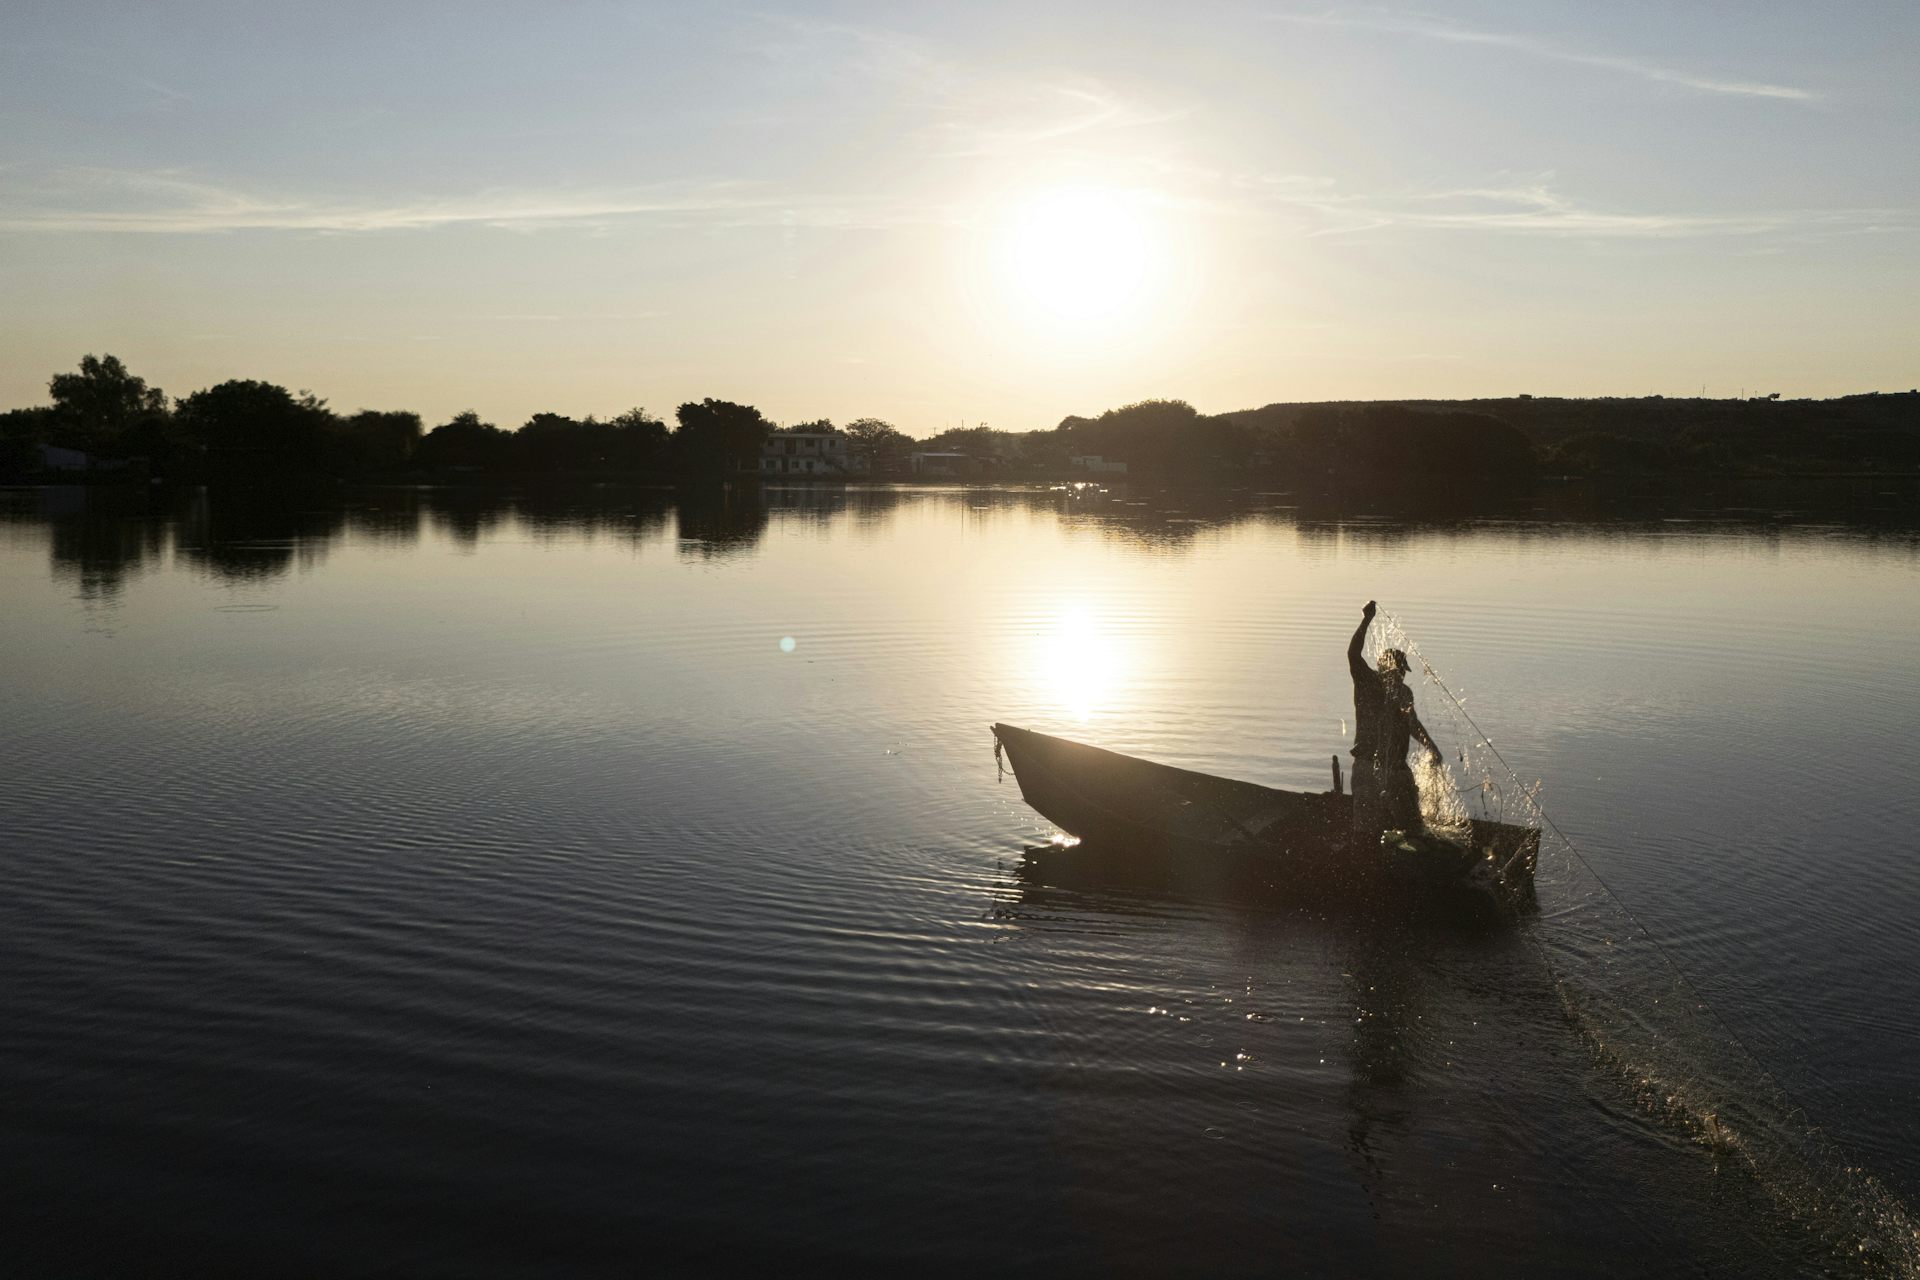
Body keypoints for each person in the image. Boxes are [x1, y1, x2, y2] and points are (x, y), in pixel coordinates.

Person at [1347, 601, 1440, 842]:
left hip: (1398, 769)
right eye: (1396, 670)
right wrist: (1366, 620)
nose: (1399, 676)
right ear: (1383, 668)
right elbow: (1353, 654)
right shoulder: (1366, 683)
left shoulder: (1404, 693)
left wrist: (1430, 745)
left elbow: (1412, 724)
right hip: (1368, 766)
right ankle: (1365, 864)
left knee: (1413, 826)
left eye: (1402, 672)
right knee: (1366, 831)